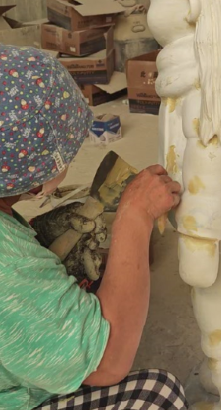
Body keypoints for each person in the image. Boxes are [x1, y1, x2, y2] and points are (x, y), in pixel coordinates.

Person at [0, 44, 187, 410]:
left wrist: (40, 237)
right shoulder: (8, 264)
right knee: (158, 394)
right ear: (37, 175)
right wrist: (135, 217)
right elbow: (108, 365)